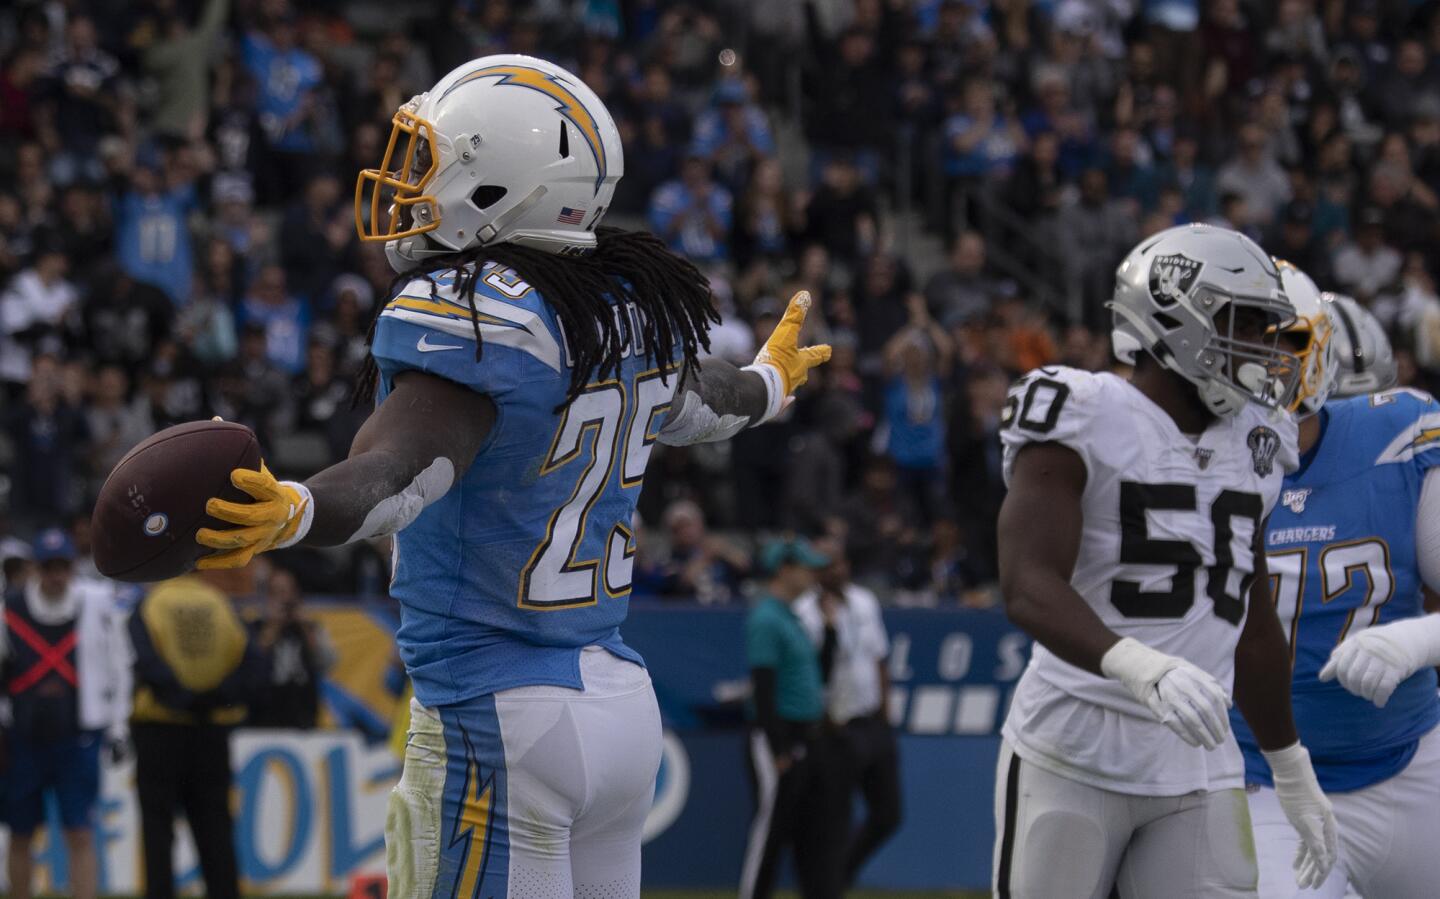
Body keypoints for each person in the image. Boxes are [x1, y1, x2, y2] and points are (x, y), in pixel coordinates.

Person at [193, 54, 830, 898]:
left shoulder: (473, 310)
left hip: (499, 713)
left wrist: (306, 507)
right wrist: (773, 382)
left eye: (431, 162)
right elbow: (707, 403)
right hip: (615, 702)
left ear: (501, 187)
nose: (407, 182)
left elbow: (404, 467)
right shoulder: (627, 300)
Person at [993, 224, 1337, 898]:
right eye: (1247, 322)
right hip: (1073, 749)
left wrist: (1291, 765)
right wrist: (1140, 666)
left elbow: (1255, 622)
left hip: (1199, 761)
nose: (1266, 346)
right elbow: (1027, 583)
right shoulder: (1082, 410)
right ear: (1180, 314)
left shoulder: (1260, 436)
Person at [1238, 273, 1440, 898]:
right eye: (1242, 346)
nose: (1260, 367)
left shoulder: (1399, 435)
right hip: (1261, 777)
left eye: (1284, 343)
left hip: (1413, 759)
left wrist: (1419, 642)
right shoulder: (1187, 462)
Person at [0, 529, 130, 899]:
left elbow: (118, 667)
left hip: (77, 737)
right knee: (20, 833)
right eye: (48, 567)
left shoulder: (96, 604)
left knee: (81, 832)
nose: (56, 575)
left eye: (62, 566)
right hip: (23, 740)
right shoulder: (10, 609)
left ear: (72, 567)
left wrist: (118, 726)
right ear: (36, 568)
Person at [129, 568, 264, 899]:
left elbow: (145, 662)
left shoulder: (152, 604)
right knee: (215, 826)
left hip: (159, 729)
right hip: (211, 730)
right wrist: (214, 698)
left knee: (158, 829)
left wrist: (181, 699)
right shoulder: (220, 604)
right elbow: (252, 661)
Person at [741, 537, 845, 899]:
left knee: (807, 831)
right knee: (769, 833)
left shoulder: (791, 617)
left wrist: (831, 630)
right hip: (780, 736)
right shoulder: (767, 618)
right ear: (785, 570)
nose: (813, 574)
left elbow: (818, 677)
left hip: (805, 736)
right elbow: (763, 688)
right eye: (806, 567)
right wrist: (778, 748)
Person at [794, 537, 900, 886]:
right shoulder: (804, 613)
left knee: (888, 813)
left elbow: (879, 657)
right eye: (825, 565)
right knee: (833, 821)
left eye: (838, 562)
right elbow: (808, 674)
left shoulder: (864, 602)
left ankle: (842, 876)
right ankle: (829, 886)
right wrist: (822, 721)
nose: (834, 570)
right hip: (834, 728)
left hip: (871, 722)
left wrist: (885, 713)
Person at [247, 566, 333, 729]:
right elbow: (250, 668)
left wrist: (306, 630)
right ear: (267, 597)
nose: (283, 599)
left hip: (304, 716)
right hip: (264, 718)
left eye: (287, 592)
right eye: (276, 592)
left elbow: (327, 664)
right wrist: (272, 627)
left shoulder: (309, 627)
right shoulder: (257, 627)